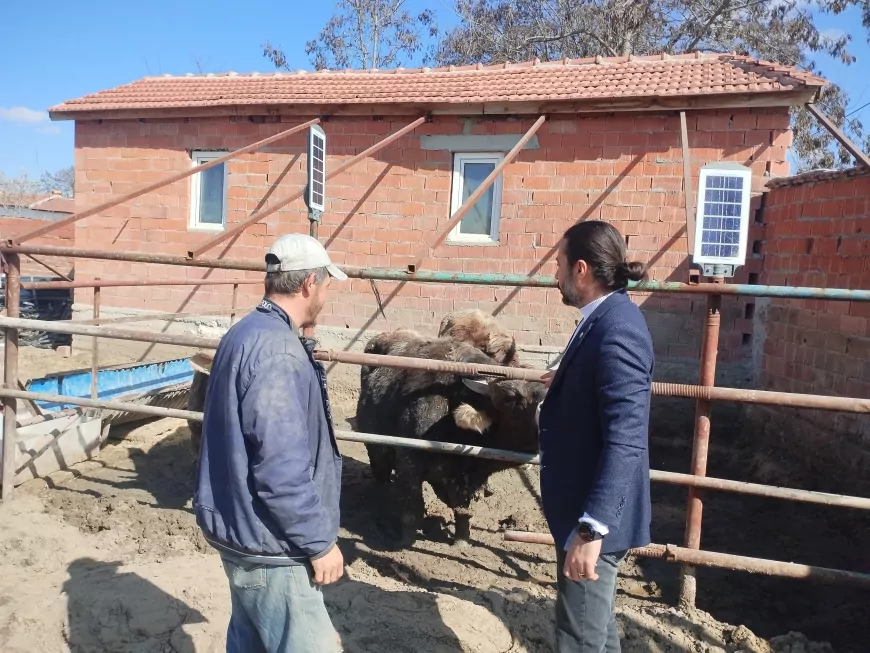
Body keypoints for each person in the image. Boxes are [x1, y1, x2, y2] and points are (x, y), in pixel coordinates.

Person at [193, 233, 348, 653]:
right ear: (308, 284)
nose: (327, 295)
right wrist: (319, 542)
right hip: (271, 544)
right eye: (327, 285)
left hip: (240, 529)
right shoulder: (278, 352)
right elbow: (280, 466)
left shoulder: (245, 332)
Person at [537, 220, 654, 653]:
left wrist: (591, 529)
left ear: (581, 270)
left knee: (579, 637)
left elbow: (627, 439)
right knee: (597, 630)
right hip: (589, 511)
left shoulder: (617, 329)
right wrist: (566, 382)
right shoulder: (604, 317)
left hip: (593, 517)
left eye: (559, 265)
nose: (555, 276)